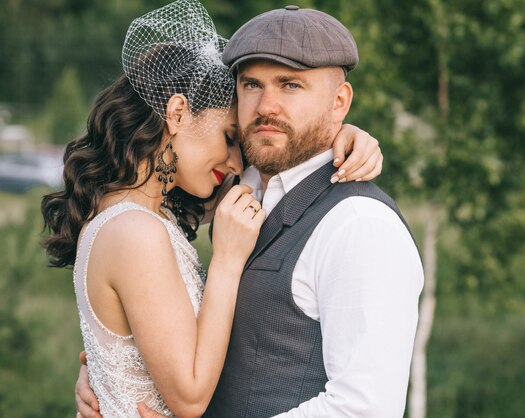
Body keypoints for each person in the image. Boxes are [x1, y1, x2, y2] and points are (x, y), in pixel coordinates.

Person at [78, 4, 423, 418]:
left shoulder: (359, 224)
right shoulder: (235, 193)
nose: (266, 106)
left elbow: (365, 409)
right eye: (252, 85)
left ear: (339, 102)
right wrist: (107, 374)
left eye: (290, 85)